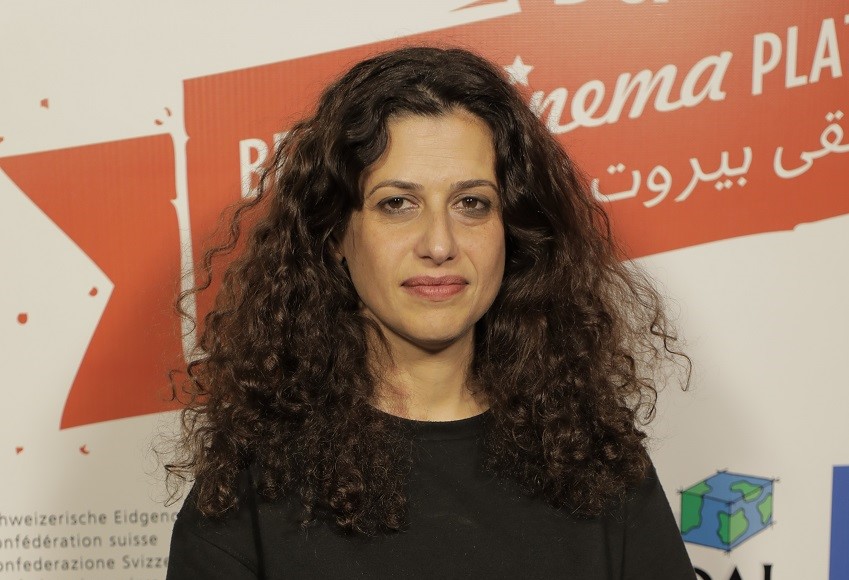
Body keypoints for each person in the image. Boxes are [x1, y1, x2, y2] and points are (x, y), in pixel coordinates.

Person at [164, 46, 695, 579]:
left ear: (511, 230)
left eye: (472, 203)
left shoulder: (594, 463)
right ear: (335, 235)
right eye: (397, 203)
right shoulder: (249, 495)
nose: (439, 245)